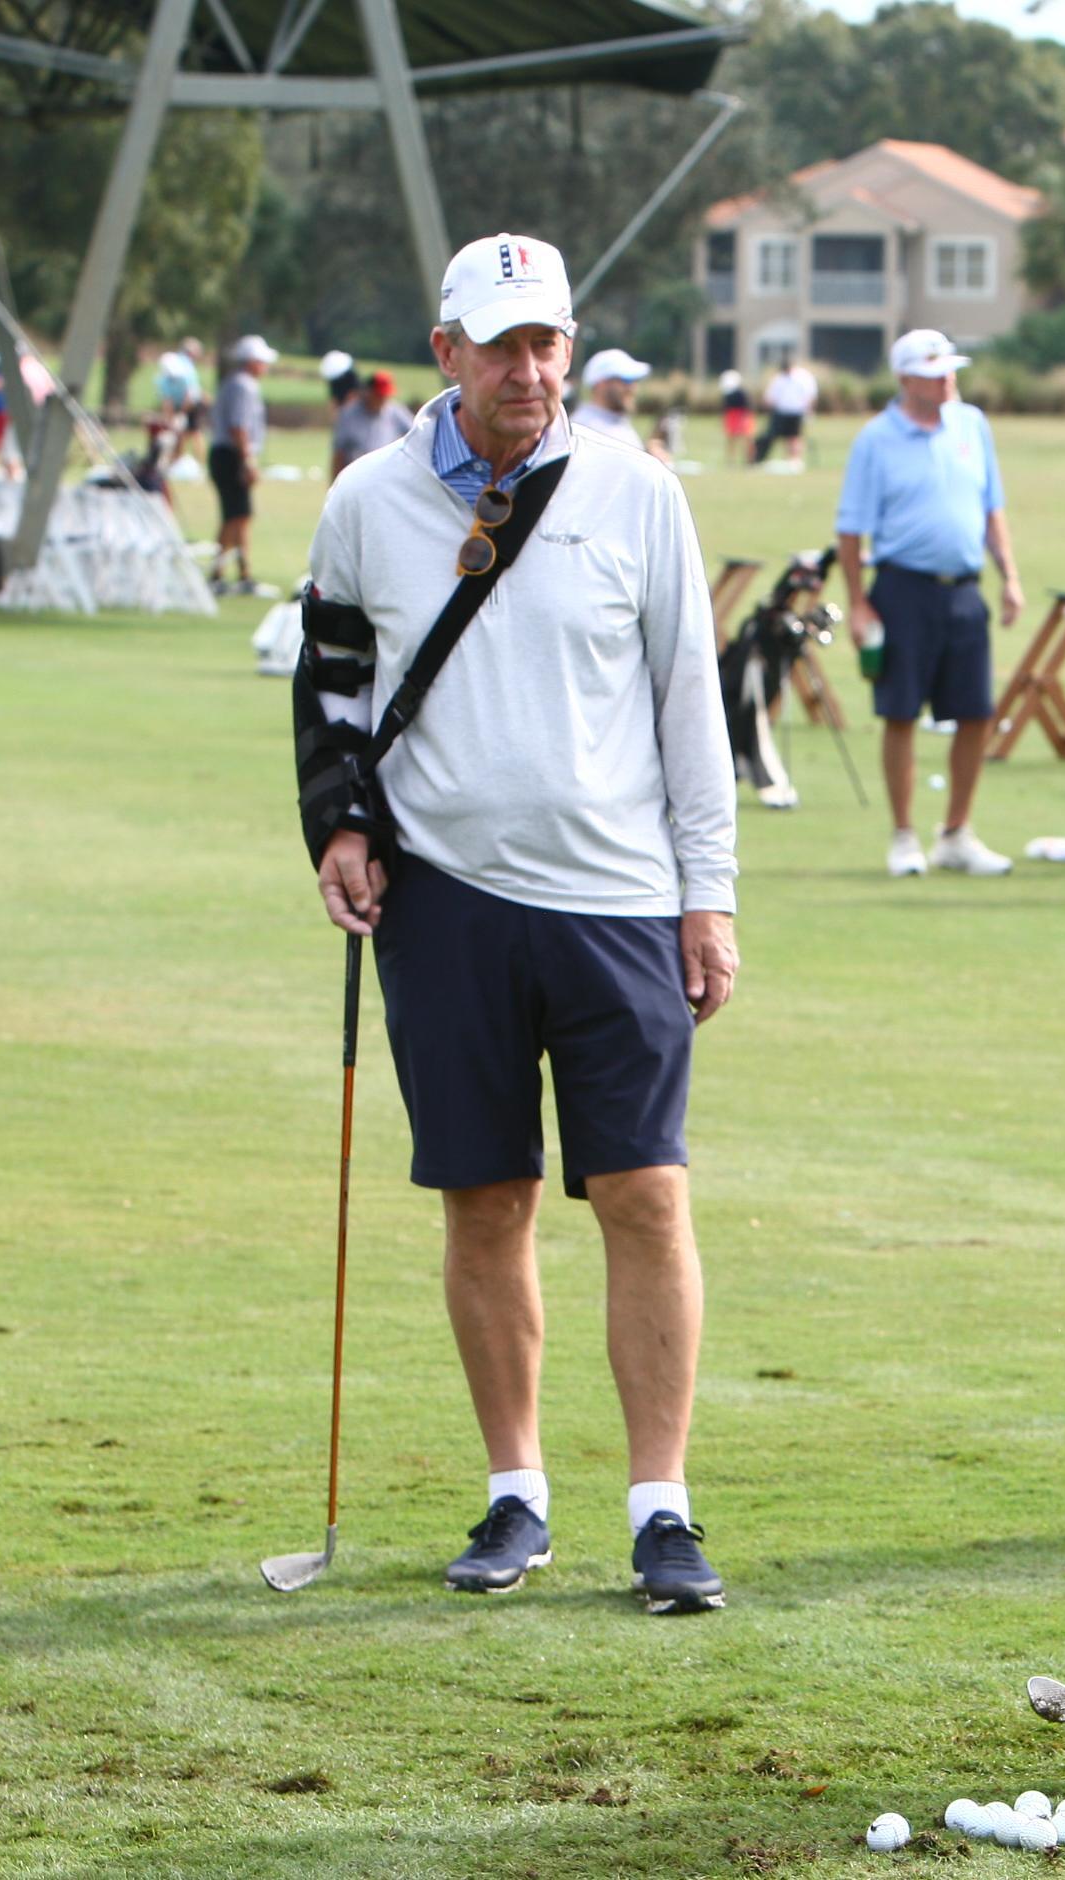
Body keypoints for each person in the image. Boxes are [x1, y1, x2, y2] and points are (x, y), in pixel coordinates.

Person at [301, 230, 740, 1614]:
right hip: (444, 899)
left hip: (619, 903)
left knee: (646, 1196)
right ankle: (516, 1492)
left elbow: (688, 699)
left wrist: (709, 894)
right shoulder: (365, 501)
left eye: (547, 341)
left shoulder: (637, 490)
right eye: (500, 345)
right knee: (485, 1199)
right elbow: (332, 686)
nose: (528, 369)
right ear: (446, 353)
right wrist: (340, 826)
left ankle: (662, 1509)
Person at [835, 328, 1025, 878]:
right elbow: (851, 529)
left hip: (964, 588)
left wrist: (1009, 577)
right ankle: (903, 836)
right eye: (934, 373)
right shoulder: (876, 439)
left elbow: (991, 508)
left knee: (976, 713)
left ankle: (956, 833)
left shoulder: (972, 424)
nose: (947, 381)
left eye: (950, 371)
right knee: (900, 713)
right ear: (905, 379)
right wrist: (858, 603)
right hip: (902, 590)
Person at [210, 334, 275, 594]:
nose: (265, 366)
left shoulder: (235, 383)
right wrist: (247, 461)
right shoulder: (243, 386)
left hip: (229, 453)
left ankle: (236, 572)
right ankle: (223, 573)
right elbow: (239, 427)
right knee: (235, 516)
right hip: (232, 455)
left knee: (238, 515)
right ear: (251, 362)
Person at [575, 349, 670, 464]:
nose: (633, 388)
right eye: (626, 380)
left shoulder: (615, 422)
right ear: (601, 384)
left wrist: (649, 457)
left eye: (635, 380)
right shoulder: (585, 429)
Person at [329, 369, 411, 479]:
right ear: (368, 392)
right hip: (356, 477)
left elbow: (415, 433)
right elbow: (339, 453)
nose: (383, 400)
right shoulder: (348, 415)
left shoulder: (396, 412)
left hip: (386, 476)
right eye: (379, 395)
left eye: (385, 396)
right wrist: (335, 482)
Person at [157, 337, 208, 466]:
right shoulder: (165, 377)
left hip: (193, 404)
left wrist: (181, 414)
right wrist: (169, 419)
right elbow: (167, 401)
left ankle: (199, 463)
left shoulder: (184, 371)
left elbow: (190, 396)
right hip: (180, 403)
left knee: (194, 432)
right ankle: (176, 461)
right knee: (178, 433)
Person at [759, 354, 817, 465]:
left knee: (795, 436)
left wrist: (809, 411)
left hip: (797, 412)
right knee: (784, 437)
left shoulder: (803, 377)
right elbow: (771, 397)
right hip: (782, 412)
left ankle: (795, 460)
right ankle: (788, 459)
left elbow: (809, 396)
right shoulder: (779, 378)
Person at [718, 370, 754, 461]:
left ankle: (749, 459)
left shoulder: (742, 393)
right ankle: (730, 460)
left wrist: (743, 419)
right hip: (732, 416)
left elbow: (747, 407)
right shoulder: (727, 394)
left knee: (747, 439)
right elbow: (725, 408)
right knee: (731, 439)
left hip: (742, 415)